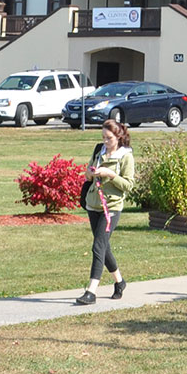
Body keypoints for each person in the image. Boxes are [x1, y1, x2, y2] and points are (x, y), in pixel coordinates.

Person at [76, 119, 135, 304]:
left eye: (109, 138)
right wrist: (91, 173)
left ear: (118, 137)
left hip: (111, 207)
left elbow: (128, 185)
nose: (105, 141)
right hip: (93, 204)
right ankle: (120, 281)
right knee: (104, 246)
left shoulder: (126, 156)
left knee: (98, 246)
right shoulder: (98, 150)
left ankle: (91, 291)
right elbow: (88, 173)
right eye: (103, 137)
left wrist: (111, 175)